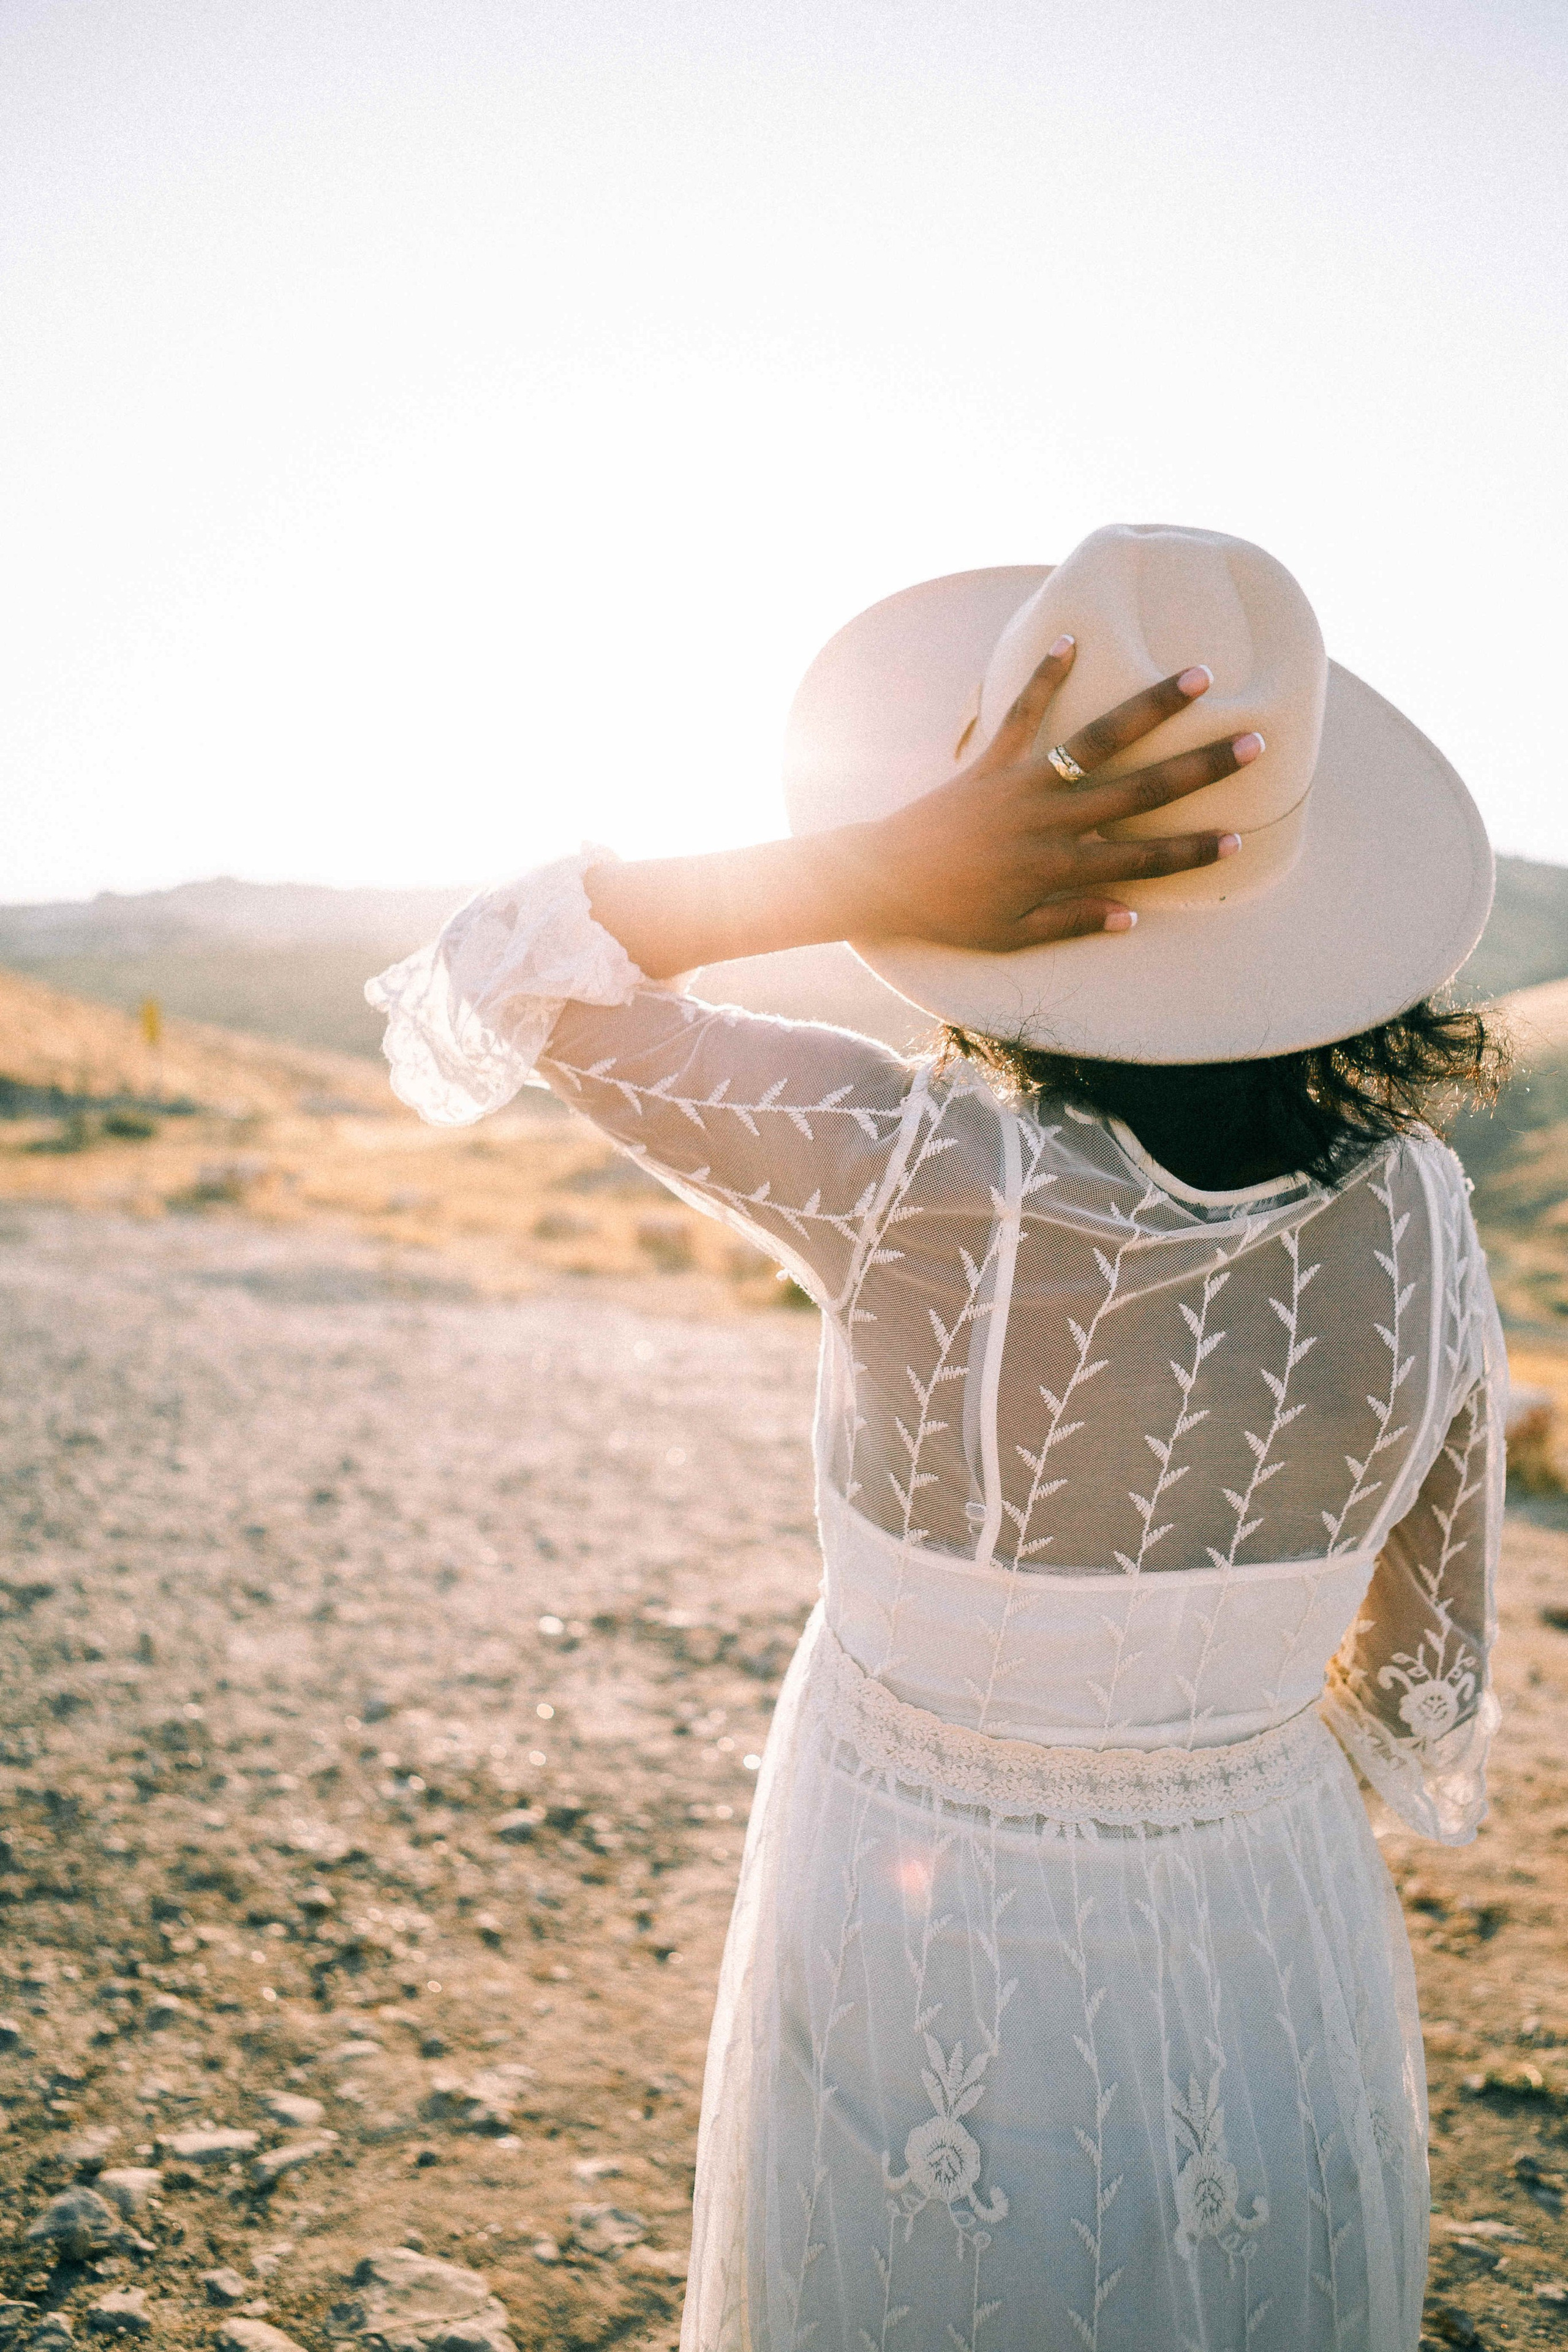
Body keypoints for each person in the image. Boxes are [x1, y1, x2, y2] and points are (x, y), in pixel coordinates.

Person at [368, 525, 1506, 2352]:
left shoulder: (905, 1163)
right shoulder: (1427, 1211)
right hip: (1269, 1935)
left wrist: (859, 865)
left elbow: (495, 972)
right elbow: (1420, 1670)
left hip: (923, 1926)